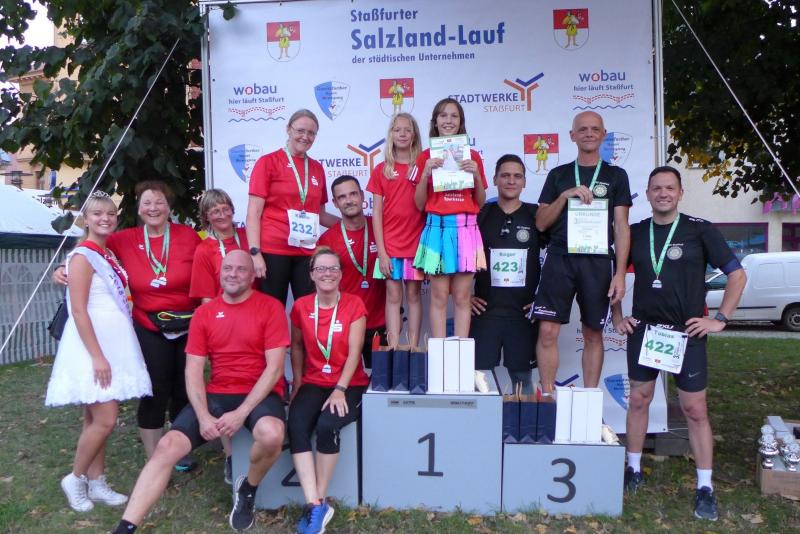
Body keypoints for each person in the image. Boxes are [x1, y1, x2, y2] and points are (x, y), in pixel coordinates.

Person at [112, 250, 289, 533]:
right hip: (218, 392)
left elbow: (275, 368)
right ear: (220, 274)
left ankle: (248, 488)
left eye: (241, 269)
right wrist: (204, 417)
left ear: (252, 276)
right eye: (227, 268)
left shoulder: (270, 307)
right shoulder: (205, 313)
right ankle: (125, 527)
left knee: (272, 435)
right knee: (167, 447)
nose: (233, 274)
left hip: (258, 393)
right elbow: (193, 371)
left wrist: (241, 413)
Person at [611, 166, 746, 521]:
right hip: (645, 330)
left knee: (695, 410)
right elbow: (614, 277)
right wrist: (617, 316)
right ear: (648, 193)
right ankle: (633, 469)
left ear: (680, 193)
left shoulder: (700, 230)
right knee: (638, 400)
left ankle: (705, 487)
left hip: (687, 332)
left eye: (670, 188)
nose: (663, 193)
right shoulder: (635, 232)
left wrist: (720, 319)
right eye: (656, 188)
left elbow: (737, 274)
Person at [56, 181, 202, 467]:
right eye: (147, 203)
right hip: (148, 325)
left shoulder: (188, 236)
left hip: (189, 324)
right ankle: (154, 459)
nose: (153, 208)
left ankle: (179, 450)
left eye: (159, 202)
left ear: (169, 207)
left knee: (184, 389)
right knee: (153, 389)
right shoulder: (124, 238)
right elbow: (89, 250)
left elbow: (209, 262)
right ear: (139, 208)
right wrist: (63, 266)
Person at [46, 191, 152, 512]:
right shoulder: (83, 256)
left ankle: (97, 481)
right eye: (97, 214)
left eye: (110, 213)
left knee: (94, 418)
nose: (105, 218)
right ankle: (75, 478)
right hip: (93, 344)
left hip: (113, 341)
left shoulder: (107, 254)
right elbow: (78, 309)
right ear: (85, 219)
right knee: (106, 419)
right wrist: (96, 356)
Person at [532, 111, 631, 398]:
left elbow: (621, 227)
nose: (589, 133)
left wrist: (620, 274)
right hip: (560, 258)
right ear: (572, 135)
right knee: (547, 331)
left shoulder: (616, 175)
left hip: (597, 260)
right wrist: (564, 196)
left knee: (593, 333)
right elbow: (541, 223)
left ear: (603, 135)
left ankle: (588, 402)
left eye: (595, 129)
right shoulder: (558, 175)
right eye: (583, 129)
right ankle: (547, 398)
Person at [288, 247, 369, 534]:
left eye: (333, 268)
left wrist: (340, 388)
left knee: (326, 425)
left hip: (350, 384)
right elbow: (296, 347)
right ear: (311, 275)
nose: (327, 273)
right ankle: (314, 503)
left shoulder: (354, 304)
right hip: (313, 383)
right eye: (320, 268)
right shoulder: (301, 306)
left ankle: (318, 502)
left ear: (341, 274)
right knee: (296, 425)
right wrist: (298, 382)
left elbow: (355, 352)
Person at [246, 109, 340, 305]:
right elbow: (254, 213)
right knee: (272, 309)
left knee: (308, 309)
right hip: (274, 250)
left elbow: (321, 214)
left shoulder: (317, 168)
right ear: (288, 129)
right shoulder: (268, 162)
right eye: (300, 130)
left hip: (307, 252)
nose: (305, 137)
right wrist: (255, 253)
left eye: (311, 133)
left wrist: (352, 225)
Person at [190, 188, 251, 484]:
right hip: (223, 323)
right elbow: (205, 297)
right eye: (215, 211)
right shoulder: (205, 249)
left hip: (254, 318)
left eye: (225, 208)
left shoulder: (248, 237)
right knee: (224, 386)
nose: (222, 214)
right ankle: (230, 456)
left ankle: (252, 448)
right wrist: (214, 328)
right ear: (206, 217)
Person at [413, 97, 488, 338]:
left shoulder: (472, 156)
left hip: (466, 228)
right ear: (435, 122)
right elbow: (419, 204)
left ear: (461, 122)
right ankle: (439, 351)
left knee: (462, 296)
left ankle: (461, 350)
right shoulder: (425, 157)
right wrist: (425, 173)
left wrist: (476, 176)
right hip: (437, 228)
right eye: (443, 115)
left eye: (454, 116)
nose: (448, 120)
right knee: (438, 296)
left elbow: (480, 202)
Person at [470, 155, 542, 393]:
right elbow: (458, 255)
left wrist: (543, 300)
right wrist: (462, 297)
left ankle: (525, 419)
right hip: (486, 312)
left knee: (523, 381)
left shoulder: (537, 215)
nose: (511, 181)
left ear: (524, 182)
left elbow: (559, 259)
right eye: (505, 175)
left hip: (522, 314)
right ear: (495, 180)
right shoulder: (481, 214)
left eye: (517, 176)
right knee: (479, 381)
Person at [367, 112, 425, 348]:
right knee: (393, 296)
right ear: (391, 134)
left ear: (414, 135)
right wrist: (381, 252)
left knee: (413, 296)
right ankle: (392, 347)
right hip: (390, 246)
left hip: (416, 244)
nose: (402, 134)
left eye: (407, 130)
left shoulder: (421, 168)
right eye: (397, 129)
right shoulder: (382, 170)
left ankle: (412, 347)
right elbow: (376, 213)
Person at [318, 175, 387, 367]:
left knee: (380, 382)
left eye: (353, 194)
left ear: (362, 196)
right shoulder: (327, 240)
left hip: (381, 324)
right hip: (345, 326)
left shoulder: (381, 228)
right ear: (334, 203)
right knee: (348, 383)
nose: (349, 200)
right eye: (342, 197)